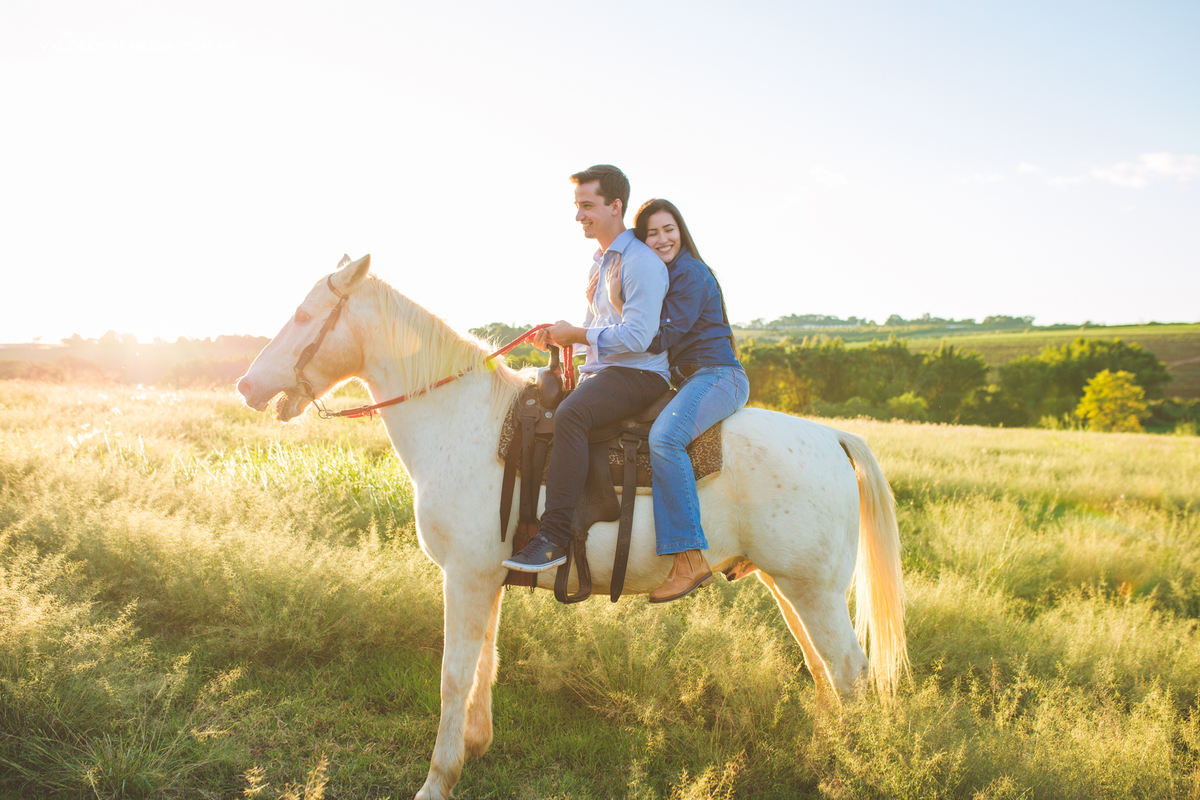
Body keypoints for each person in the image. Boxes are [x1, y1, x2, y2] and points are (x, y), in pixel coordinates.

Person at [502, 165, 670, 573]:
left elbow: (639, 336)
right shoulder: (600, 263)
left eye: (587, 206)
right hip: (607, 373)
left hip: (640, 373)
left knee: (571, 414)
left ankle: (553, 537)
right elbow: (598, 327)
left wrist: (577, 332)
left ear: (616, 206)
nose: (579, 216)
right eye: (577, 207)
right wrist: (564, 337)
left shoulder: (640, 262)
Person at [610, 198, 750, 603]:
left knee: (665, 439)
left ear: (681, 231)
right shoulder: (668, 275)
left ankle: (689, 558)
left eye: (668, 229)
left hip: (718, 376)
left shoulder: (688, 273)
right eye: (651, 233)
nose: (661, 239)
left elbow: (655, 338)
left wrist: (617, 305)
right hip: (693, 379)